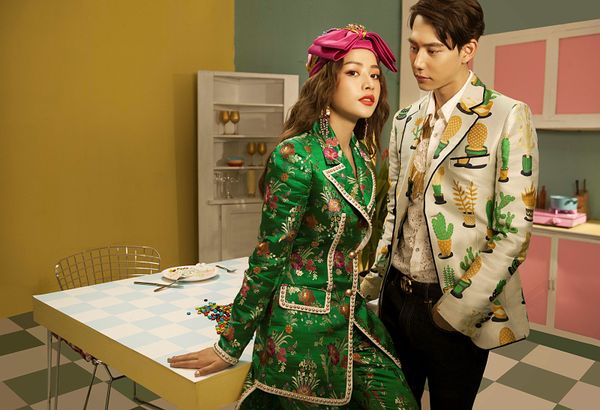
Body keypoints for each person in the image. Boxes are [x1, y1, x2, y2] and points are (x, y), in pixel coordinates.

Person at [169, 24, 418, 409]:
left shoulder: (363, 158)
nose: (369, 83)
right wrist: (229, 344)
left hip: (352, 320)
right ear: (325, 82)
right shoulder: (296, 156)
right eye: (353, 72)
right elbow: (268, 258)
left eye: (374, 74)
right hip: (301, 326)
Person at [360, 1, 539, 408]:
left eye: (433, 50)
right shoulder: (405, 119)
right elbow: (394, 213)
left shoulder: (507, 115)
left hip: (453, 307)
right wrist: (371, 283)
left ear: (467, 49)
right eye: (413, 47)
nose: (417, 61)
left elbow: (513, 233)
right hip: (394, 299)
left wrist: (457, 310)